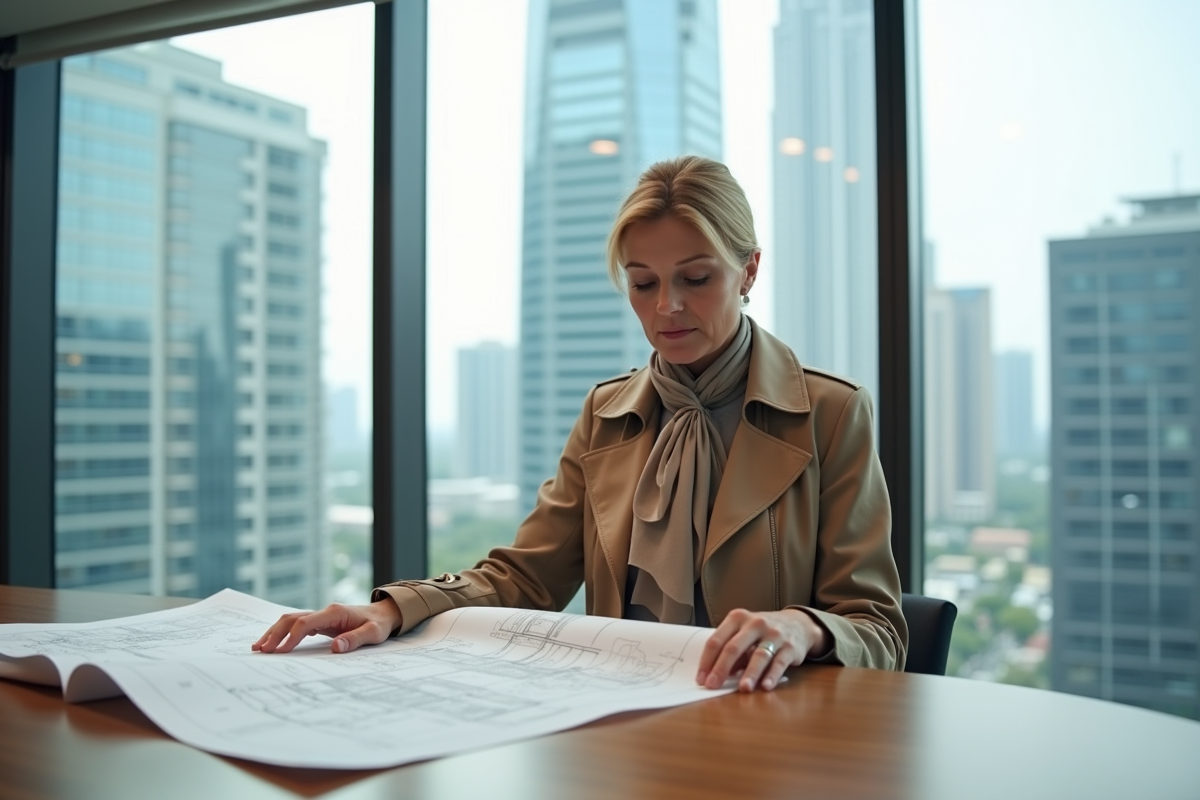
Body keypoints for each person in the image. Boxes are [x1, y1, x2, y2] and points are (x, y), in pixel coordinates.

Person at [254, 155, 908, 691]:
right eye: (643, 283)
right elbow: (525, 579)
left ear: (749, 271)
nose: (668, 308)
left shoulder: (831, 413)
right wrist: (392, 608)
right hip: (620, 720)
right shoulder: (608, 412)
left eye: (697, 277)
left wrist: (801, 626)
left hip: (769, 733)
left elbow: (878, 628)